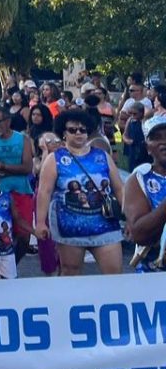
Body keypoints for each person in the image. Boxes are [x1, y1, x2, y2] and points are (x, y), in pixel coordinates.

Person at [34, 110, 125, 276]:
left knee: (114, 274)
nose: (78, 133)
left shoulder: (102, 156)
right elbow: (44, 192)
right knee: (71, 274)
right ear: (64, 132)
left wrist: (130, 217)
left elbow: (119, 188)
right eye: (73, 130)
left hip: (105, 225)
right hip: (70, 227)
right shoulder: (54, 159)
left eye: (83, 130)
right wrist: (40, 222)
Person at [0, 106, 35, 264]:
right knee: (0, 236)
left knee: (24, 238)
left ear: (8, 121)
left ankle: (12, 266)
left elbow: (27, 168)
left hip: (22, 192)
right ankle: (5, 272)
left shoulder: (22, 139)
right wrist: (9, 169)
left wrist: (1, 166)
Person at [126, 115, 166, 271]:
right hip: (153, 277)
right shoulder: (139, 180)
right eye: (157, 138)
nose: (164, 143)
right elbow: (139, 234)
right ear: (147, 147)